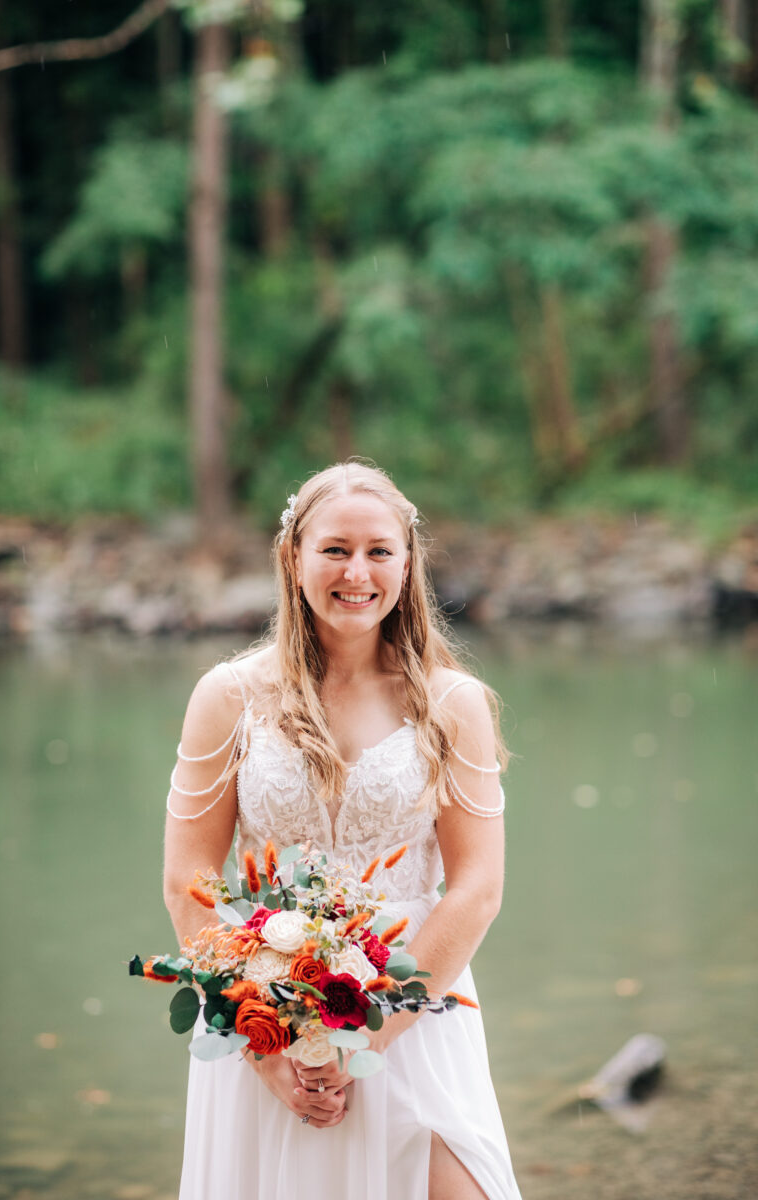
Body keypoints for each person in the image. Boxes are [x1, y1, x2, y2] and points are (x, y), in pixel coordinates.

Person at [163, 461, 522, 1200]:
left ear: (406, 563)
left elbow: (477, 888)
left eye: (378, 551)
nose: (357, 572)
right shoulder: (228, 697)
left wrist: (365, 1035)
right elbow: (188, 881)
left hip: (417, 1004)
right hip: (263, 1010)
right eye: (334, 549)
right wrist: (265, 1049)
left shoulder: (454, 705)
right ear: (293, 558)